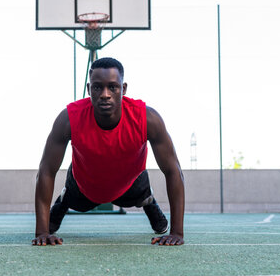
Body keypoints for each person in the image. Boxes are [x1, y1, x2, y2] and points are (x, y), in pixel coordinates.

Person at [32, 57, 185, 246]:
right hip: (83, 186)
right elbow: (46, 170)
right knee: (73, 199)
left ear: (124, 89)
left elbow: (173, 170)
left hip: (131, 184)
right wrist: (42, 232)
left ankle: (148, 200)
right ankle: (63, 201)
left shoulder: (148, 119)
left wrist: (177, 232)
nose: (105, 94)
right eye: (98, 87)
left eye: (112, 87)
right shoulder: (69, 118)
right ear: (89, 89)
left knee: (141, 186)